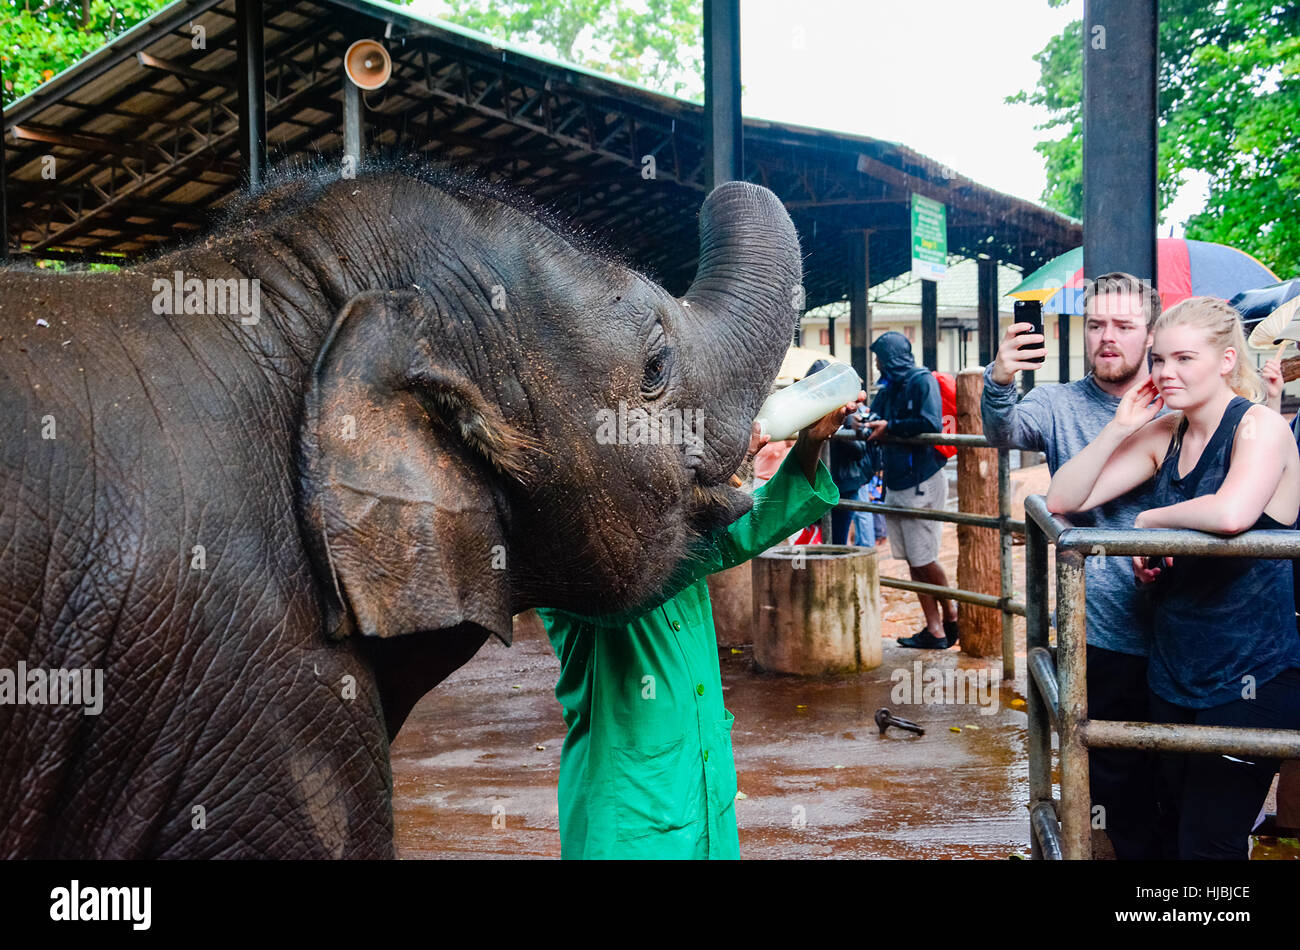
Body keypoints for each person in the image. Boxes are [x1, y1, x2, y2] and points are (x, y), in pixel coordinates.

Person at [534, 395, 863, 859]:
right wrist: (725, 461)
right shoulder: (571, 555)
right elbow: (637, 584)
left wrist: (809, 443)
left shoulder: (670, 539)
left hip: (705, 793)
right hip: (628, 814)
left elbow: (737, 533)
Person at [1046, 296, 1300, 860]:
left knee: (1209, 841)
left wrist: (1150, 520)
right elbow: (1063, 496)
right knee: (1171, 826)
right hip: (1173, 670)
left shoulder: (1259, 428)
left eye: (1185, 359)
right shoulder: (1166, 434)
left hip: (1251, 675)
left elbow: (1233, 514)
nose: (1165, 373)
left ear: (1227, 359)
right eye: (1159, 360)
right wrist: (1118, 427)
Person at [982, 271, 1167, 860]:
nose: (1106, 337)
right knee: (1110, 773)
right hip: (1101, 623)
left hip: (1185, 620)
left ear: (1151, 333)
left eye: (1123, 325)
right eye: (1095, 325)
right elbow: (1002, 433)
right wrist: (1000, 376)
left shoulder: (1179, 397)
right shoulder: (1057, 402)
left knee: (1185, 770)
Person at [866, 332, 958, 648]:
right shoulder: (889, 385)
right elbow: (875, 414)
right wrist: (863, 421)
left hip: (921, 480)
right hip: (897, 479)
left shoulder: (921, 381)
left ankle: (951, 613)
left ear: (891, 357)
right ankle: (935, 629)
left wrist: (890, 427)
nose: (876, 363)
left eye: (880, 357)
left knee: (924, 558)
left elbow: (930, 423)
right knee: (912, 560)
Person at [808, 358, 880, 546]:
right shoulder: (808, 412)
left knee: (838, 539)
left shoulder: (849, 411)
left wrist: (840, 430)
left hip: (844, 484)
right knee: (816, 536)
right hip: (817, 485)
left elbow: (858, 451)